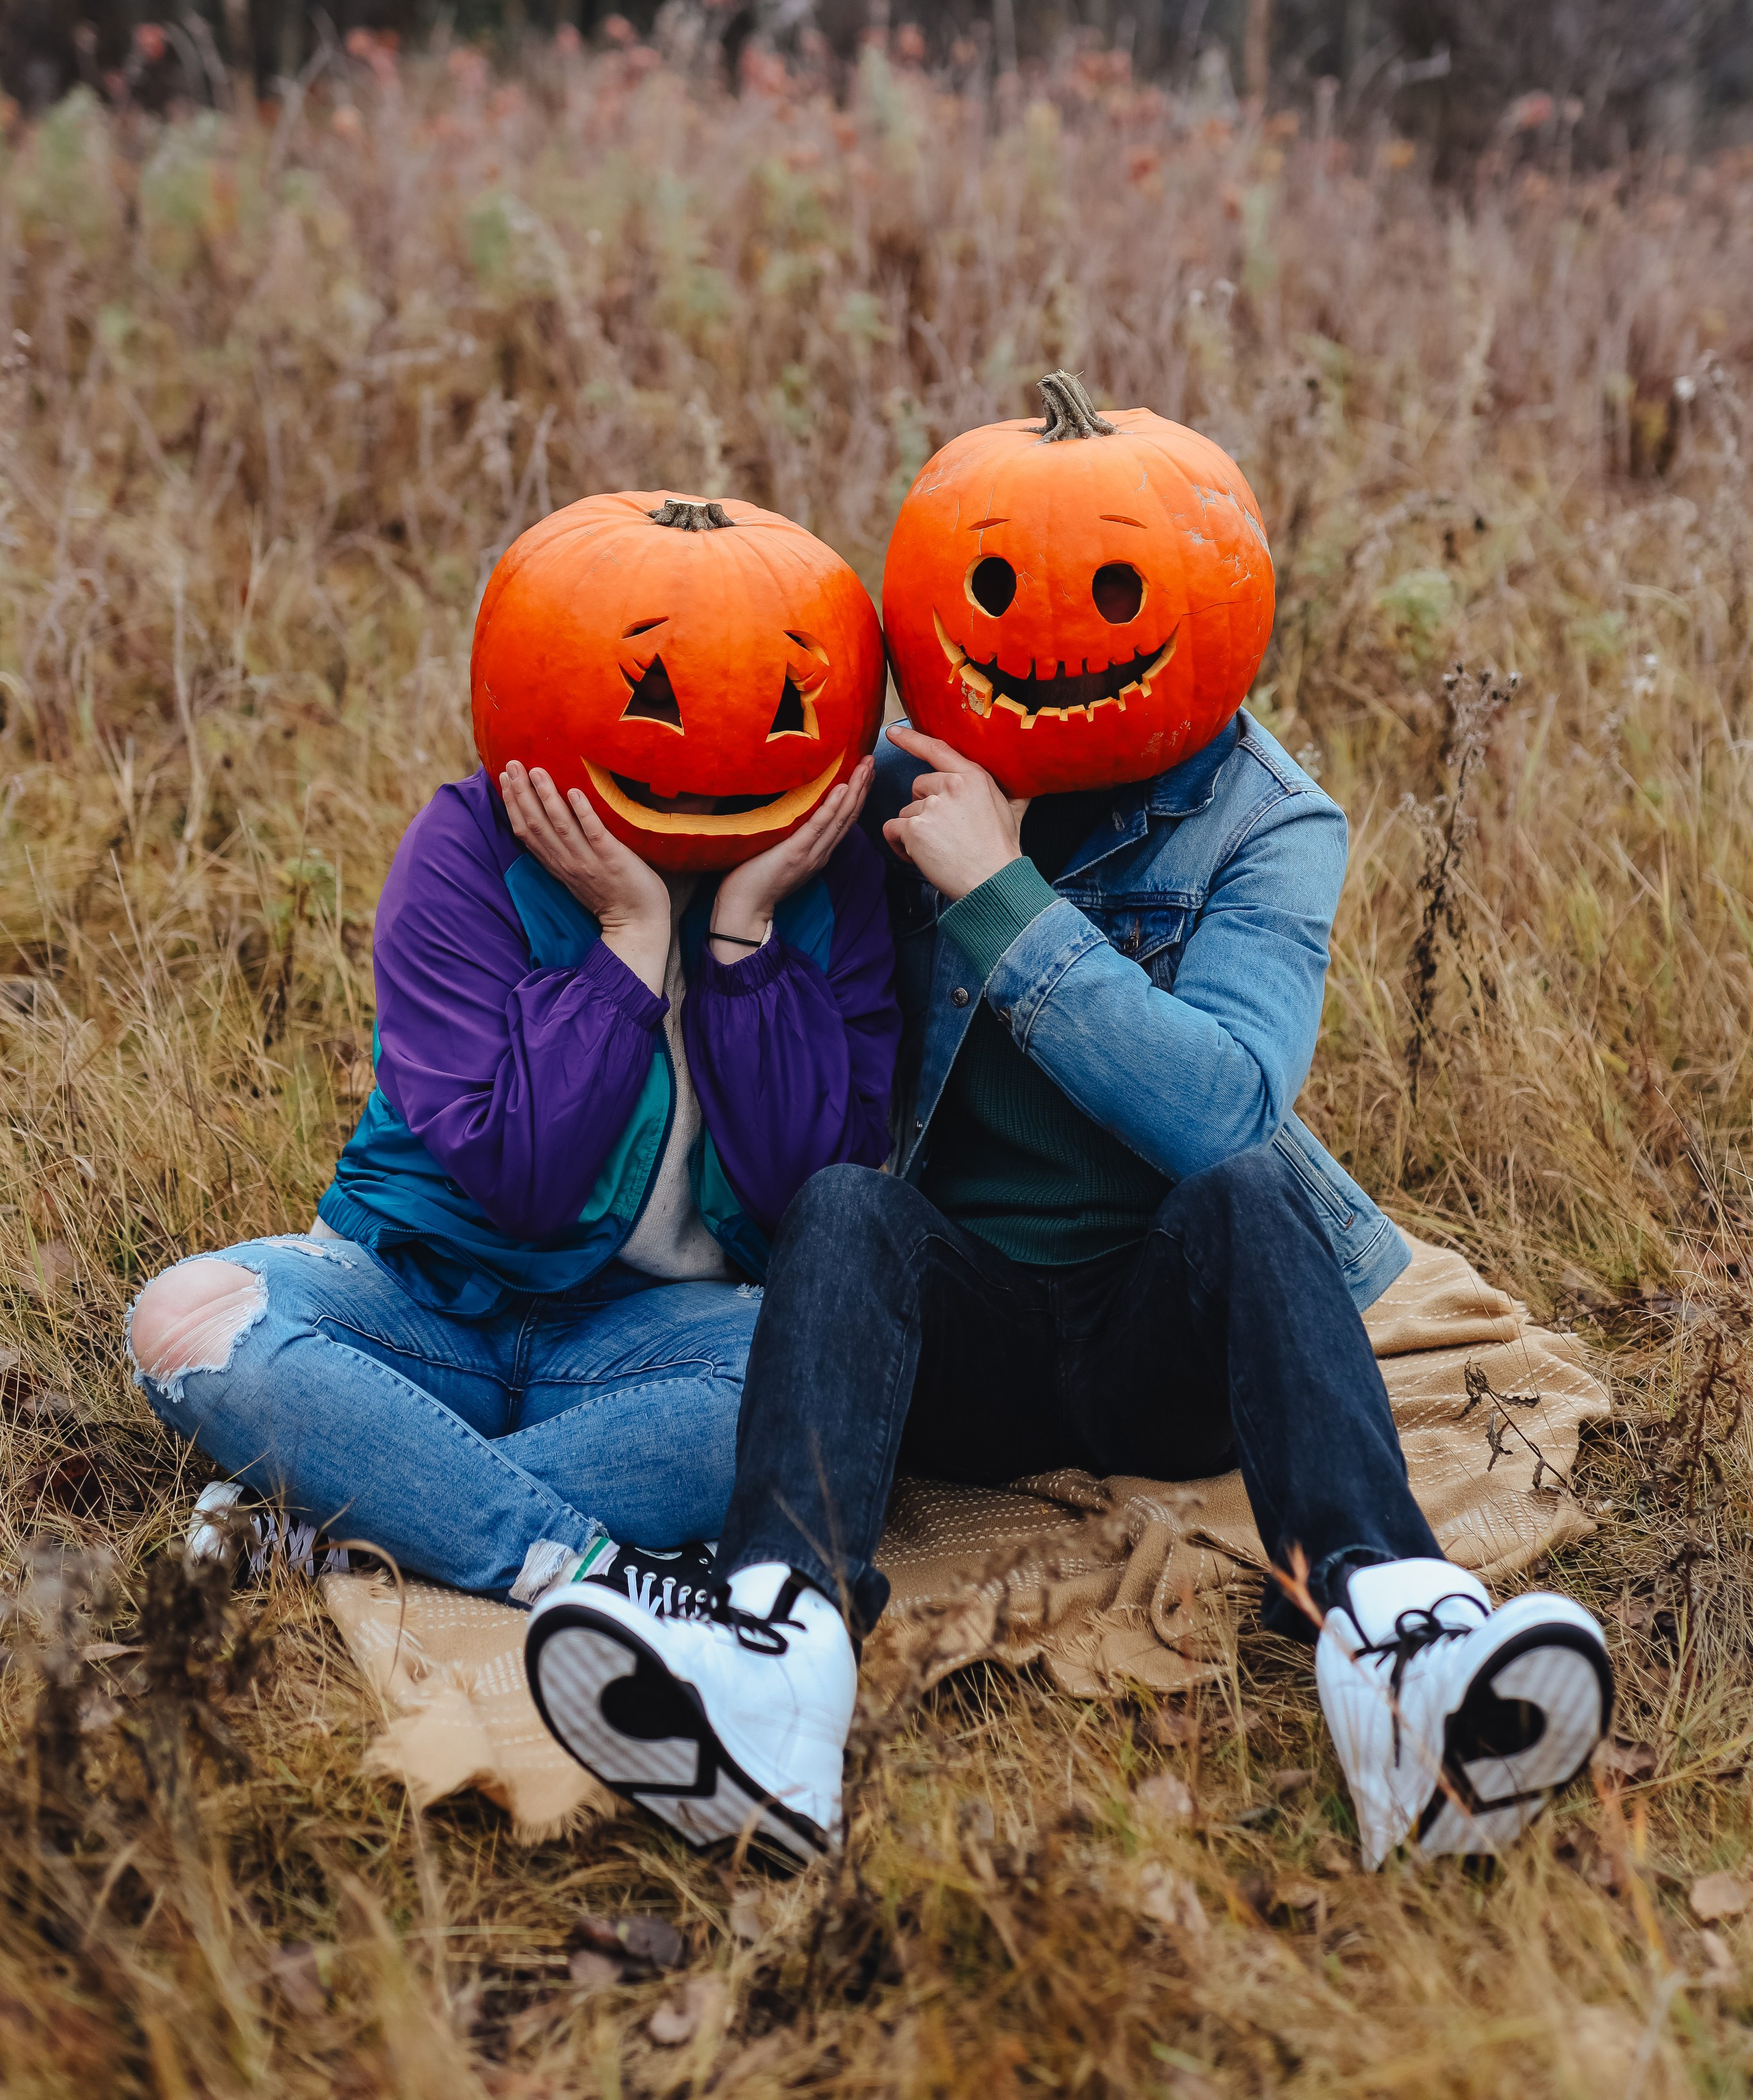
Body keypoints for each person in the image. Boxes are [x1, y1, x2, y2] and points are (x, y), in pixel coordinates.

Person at [527, 635, 1613, 1870]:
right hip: (957, 1351)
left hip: (1169, 1348)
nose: (1048, 649)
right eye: (995, 603)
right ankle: (774, 1666)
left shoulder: (1266, 818)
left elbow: (1222, 1108)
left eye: (1108, 599)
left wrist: (1001, 895)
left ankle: (1399, 1646)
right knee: (843, 1206)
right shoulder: (887, 791)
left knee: (1252, 1186)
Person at [126, 746, 898, 1607]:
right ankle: (591, 1569)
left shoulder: (832, 874)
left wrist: (744, 939)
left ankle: (347, 1512)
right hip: (421, 1296)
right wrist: (630, 940)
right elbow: (523, 1174)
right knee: (188, 1321)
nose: (692, 746)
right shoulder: (469, 844)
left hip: (649, 1342)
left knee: (836, 1379)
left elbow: (806, 1187)